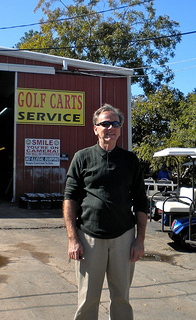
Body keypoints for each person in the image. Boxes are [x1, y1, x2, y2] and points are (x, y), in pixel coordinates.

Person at [63, 104, 148, 320]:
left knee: (121, 298)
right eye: (105, 124)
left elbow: (140, 201)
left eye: (115, 124)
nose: (110, 128)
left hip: (123, 237)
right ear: (95, 129)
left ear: (120, 129)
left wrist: (140, 240)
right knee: (87, 299)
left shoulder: (130, 161)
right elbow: (70, 198)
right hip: (89, 237)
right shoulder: (82, 157)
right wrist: (73, 238)